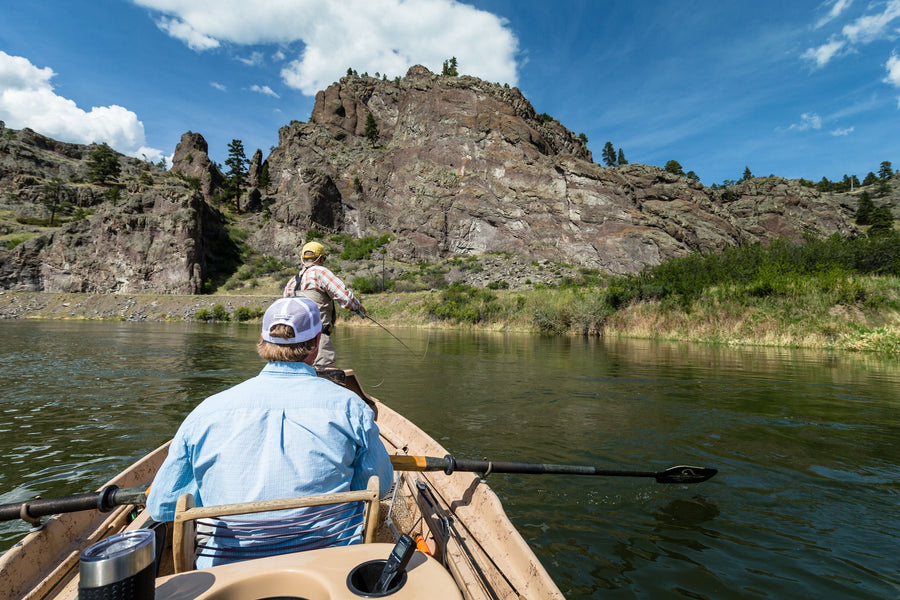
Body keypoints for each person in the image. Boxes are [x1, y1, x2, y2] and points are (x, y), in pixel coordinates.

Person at [146, 297, 393, 568]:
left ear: (263, 340)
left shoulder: (206, 412)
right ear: (316, 343)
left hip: (227, 572)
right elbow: (379, 485)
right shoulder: (351, 408)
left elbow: (162, 505)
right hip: (328, 568)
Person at [283, 241, 367, 369]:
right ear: (321, 259)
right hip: (318, 340)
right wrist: (358, 308)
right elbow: (345, 298)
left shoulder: (292, 282)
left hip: (294, 342)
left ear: (303, 259)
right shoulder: (321, 272)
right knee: (324, 374)